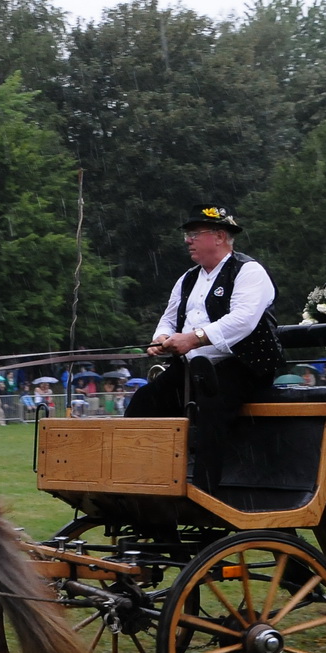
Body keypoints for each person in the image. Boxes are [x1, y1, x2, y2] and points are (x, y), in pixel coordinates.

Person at [125, 205, 282, 483]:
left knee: (211, 408)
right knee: (145, 401)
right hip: (194, 368)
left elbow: (243, 321)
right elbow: (168, 319)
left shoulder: (249, 271)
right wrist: (161, 339)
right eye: (188, 234)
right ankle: (143, 480)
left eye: (194, 234)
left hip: (243, 365)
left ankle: (206, 488)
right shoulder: (187, 279)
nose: (188, 240)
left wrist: (193, 338)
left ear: (220, 236)